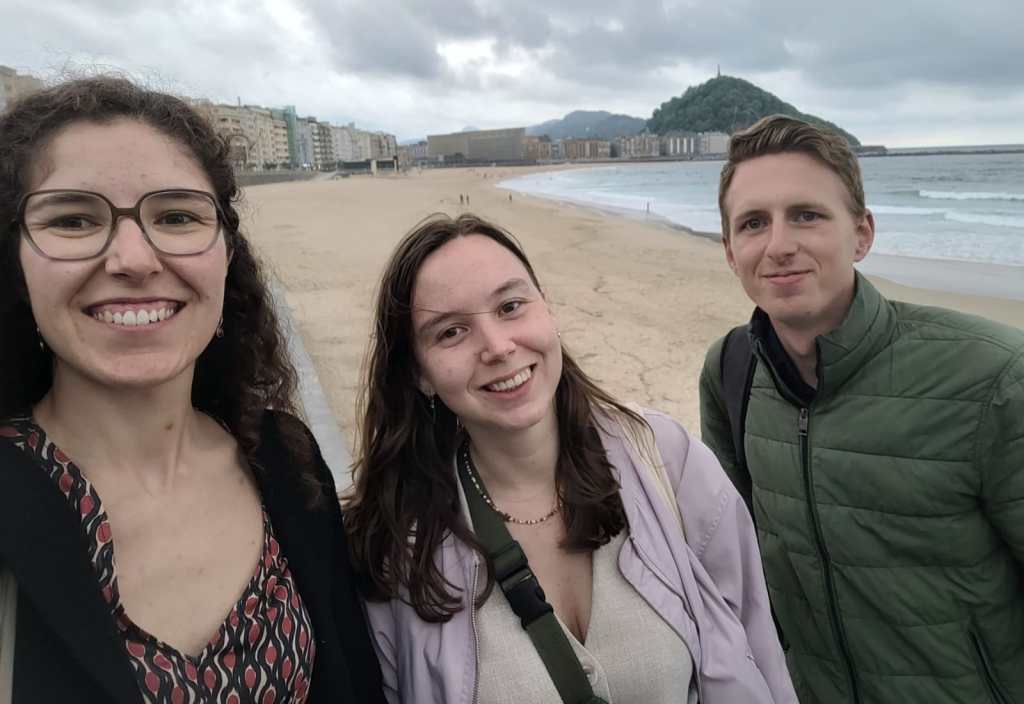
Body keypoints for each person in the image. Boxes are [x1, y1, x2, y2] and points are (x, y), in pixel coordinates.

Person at [0, 77, 385, 703]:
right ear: (16, 264)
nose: (133, 259)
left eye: (176, 216)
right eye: (73, 220)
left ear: (227, 254)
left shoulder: (284, 460)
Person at [344, 213, 797, 704]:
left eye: (511, 306)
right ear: (419, 373)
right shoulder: (396, 550)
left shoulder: (666, 460)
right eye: (451, 332)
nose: (497, 347)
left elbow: (759, 653)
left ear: (549, 310)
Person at [699, 115, 1024, 704]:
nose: (779, 245)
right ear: (729, 251)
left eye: (807, 215)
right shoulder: (730, 370)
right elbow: (739, 564)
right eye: (753, 223)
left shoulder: (993, 375)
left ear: (862, 234)